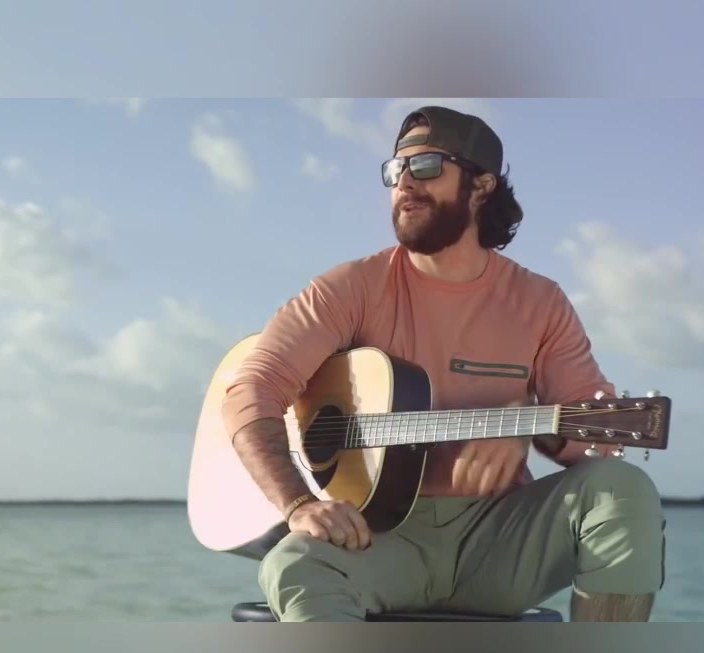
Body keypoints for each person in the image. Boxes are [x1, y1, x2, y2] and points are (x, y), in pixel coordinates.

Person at [219, 105, 666, 622]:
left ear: (481, 186)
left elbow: (601, 443)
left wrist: (524, 426)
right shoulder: (351, 288)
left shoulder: (541, 302)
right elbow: (252, 388)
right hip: (375, 539)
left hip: (496, 542)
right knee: (294, 564)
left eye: (426, 166)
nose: (405, 182)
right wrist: (299, 504)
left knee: (624, 489)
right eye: (395, 170)